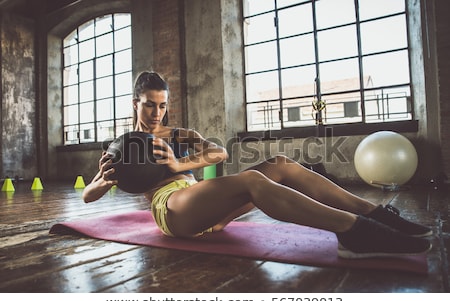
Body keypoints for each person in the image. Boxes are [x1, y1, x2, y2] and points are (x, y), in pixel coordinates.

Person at [82, 71, 432, 259]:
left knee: (280, 164)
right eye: (148, 105)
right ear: (135, 103)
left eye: (161, 105)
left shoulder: (178, 134)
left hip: (207, 206)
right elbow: (90, 194)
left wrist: (178, 163)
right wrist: (99, 184)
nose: (156, 112)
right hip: (174, 212)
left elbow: (218, 153)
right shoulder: (124, 145)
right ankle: (354, 233)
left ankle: (375, 213)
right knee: (251, 180)